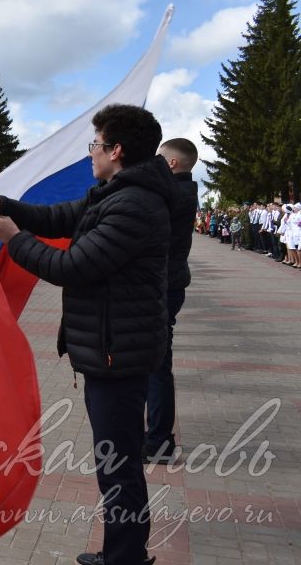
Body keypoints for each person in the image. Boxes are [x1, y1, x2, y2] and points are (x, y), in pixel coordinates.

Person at [0, 104, 175, 565]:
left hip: (117, 354)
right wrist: (2, 205)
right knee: (116, 462)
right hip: (110, 348)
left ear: (116, 150)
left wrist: (12, 239)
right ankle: (124, 553)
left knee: (118, 467)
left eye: (95, 145)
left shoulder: (134, 205)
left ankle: (124, 558)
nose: (91, 154)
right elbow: (61, 217)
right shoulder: (116, 192)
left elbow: (71, 267)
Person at [144, 137, 198, 465]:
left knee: (157, 365)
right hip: (168, 285)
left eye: (159, 158)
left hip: (163, 287)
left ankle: (160, 442)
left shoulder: (175, 194)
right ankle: (157, 437)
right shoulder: (180, 191)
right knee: (156, 363)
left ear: (172, 164)